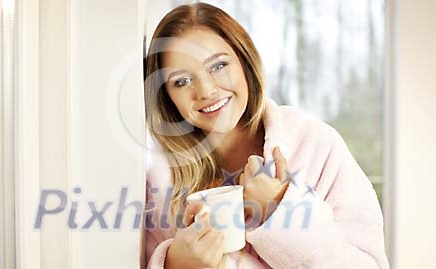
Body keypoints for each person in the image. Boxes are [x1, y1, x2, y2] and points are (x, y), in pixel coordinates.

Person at [143, 3, 389, 269]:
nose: (206, 90)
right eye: (182, 81)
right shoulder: (161, 181)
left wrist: (279, 210)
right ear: (166, 97)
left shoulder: (316, 145)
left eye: (218, 65)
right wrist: (175, 264)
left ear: (244, 61)